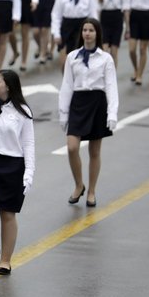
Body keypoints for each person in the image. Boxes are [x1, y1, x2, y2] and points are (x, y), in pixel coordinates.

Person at [0, 70, 35, 276]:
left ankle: (5, 260)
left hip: (12, 165)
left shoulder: (22, 112)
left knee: (7, 213)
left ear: (8, 86)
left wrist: (29, 171)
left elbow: (28, 144)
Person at [59, 19, 118, 208]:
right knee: (72, 147)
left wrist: (112, 113)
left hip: (97, 103)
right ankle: (79, 185)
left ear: (97, 33)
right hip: (78, 102)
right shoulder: (72, 57)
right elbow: (67, 85)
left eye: (91, 30)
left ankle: (91, 190)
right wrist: (63, 113)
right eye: (84, 30)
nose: (87, 33)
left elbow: (111, 86)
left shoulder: (105, 58)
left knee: (94, 151)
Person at [52, 0, 98, 69]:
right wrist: (56, 33)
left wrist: (93, 33)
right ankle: (67, 83)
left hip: (82, 28)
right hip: (66, 28)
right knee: (65, 63)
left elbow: (93, 15)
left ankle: (77, 84)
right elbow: (56, 15)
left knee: (79, 62)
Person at [94, 0, 128, 67]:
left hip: (117, 19)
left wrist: (128, 28)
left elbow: (126, 9)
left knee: (114, 52)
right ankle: (102, 74)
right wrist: (96, 26)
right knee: (103, 50)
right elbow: (97, 9)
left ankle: (112, 77)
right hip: (104, 19)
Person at [14, 0, 38, 72]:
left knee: (25, 34)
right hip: (15, 2)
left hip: (27, 1)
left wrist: (34, 1)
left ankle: (23, 61)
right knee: (10, 32)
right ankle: (15, 51)